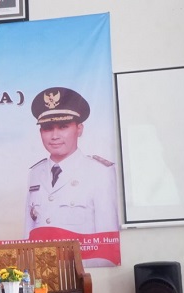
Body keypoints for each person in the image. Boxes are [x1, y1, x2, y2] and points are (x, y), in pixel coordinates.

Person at [24, 87, 119, 237]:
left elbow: (107, 239)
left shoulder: (100, 172)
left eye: (63, 127)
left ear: (79, 129)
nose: (55, 136)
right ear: (40, 132)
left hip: (82, 254)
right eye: (48, 128)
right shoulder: (35, 173)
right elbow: (28, 235)